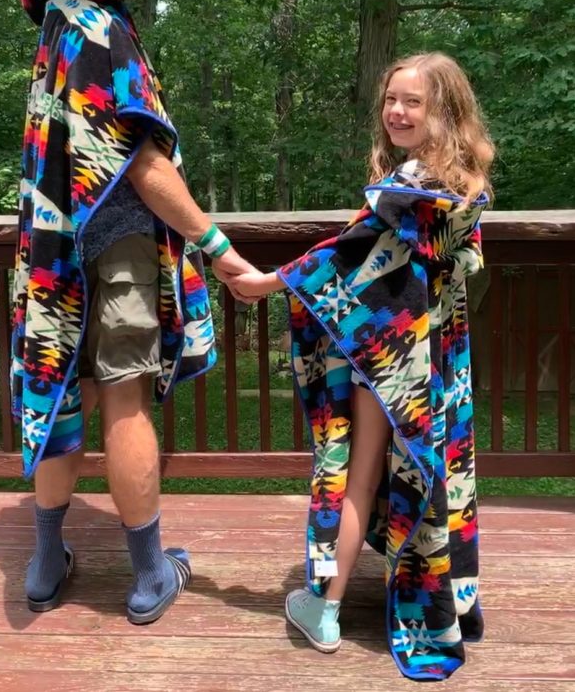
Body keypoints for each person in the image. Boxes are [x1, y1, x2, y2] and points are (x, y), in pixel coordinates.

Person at [10, 0, 254, 624]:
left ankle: (47, 563)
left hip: (52, 250)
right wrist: (218, 247)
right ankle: (151, 576)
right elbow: (144, 165)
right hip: (113, 247)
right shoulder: (102, 30)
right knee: (123, 402)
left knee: (60, 393)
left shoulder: (60, 18)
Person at [232, 53, 494, 681]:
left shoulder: (412, 191)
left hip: (389, 357)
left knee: (357, 472)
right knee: (433, 475)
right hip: (432, 355)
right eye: (390, 100)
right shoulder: (465, 187)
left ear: (445, 111)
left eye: (414, 102)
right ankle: (451, 599)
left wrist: (268, 281)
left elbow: (346, 256)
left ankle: (325, 607)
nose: (398, 112)